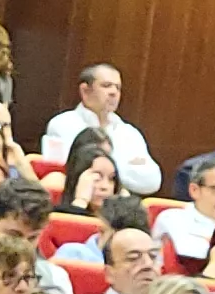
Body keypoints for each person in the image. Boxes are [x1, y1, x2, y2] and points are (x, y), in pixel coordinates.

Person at [35, 62, 161, 197]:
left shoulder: (130, 133)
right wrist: (125, 166)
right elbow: (71, 171)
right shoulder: (63, 124)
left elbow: (152, 181)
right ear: (85, 90)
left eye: (117, 88)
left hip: (117, 206)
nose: (114, 92)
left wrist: (105, 170)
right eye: (106, 86)